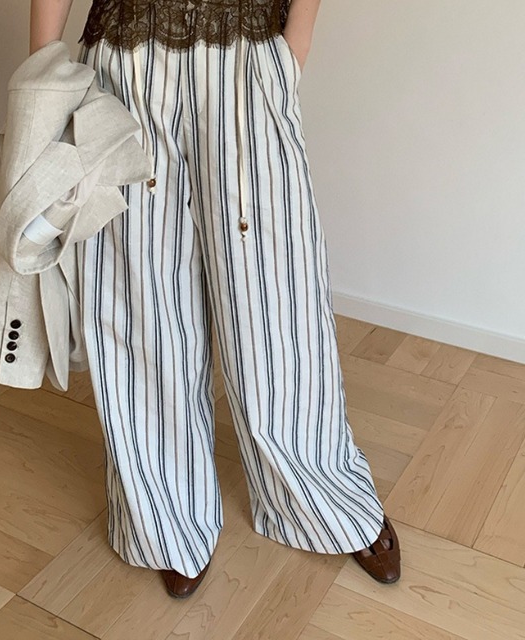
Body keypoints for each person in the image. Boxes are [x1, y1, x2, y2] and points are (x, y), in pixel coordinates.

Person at [30, 0, 401, 599]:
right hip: (124, 61)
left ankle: (322, 492)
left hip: (248, 53)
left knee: (277, 295)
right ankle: (166, 513)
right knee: (139, 297)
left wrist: (295, 44)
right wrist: (43, 74)